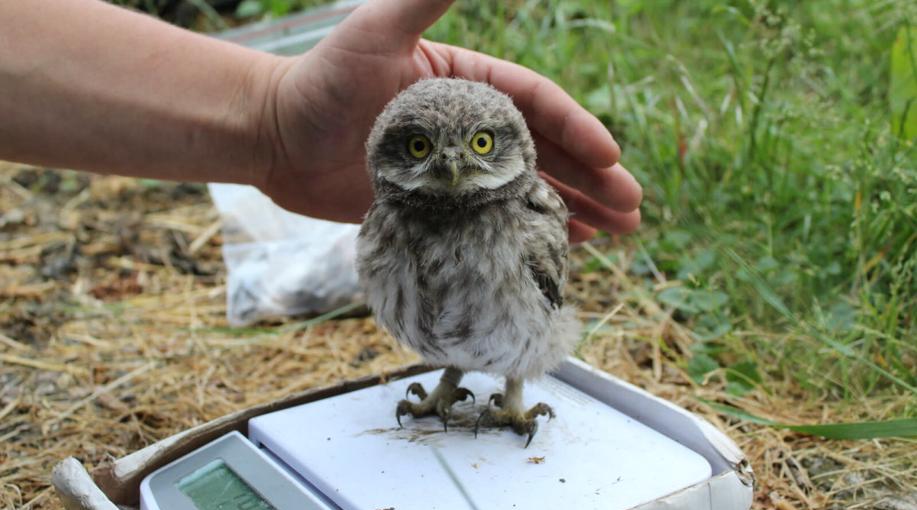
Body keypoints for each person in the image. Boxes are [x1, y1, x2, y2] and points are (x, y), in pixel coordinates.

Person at [0, 0, 641, 242]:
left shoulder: (521, 224)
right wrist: (270, 127)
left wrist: (272, 121)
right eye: (418, 145)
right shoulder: (388, 223)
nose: (451, 164)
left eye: (479, 144)